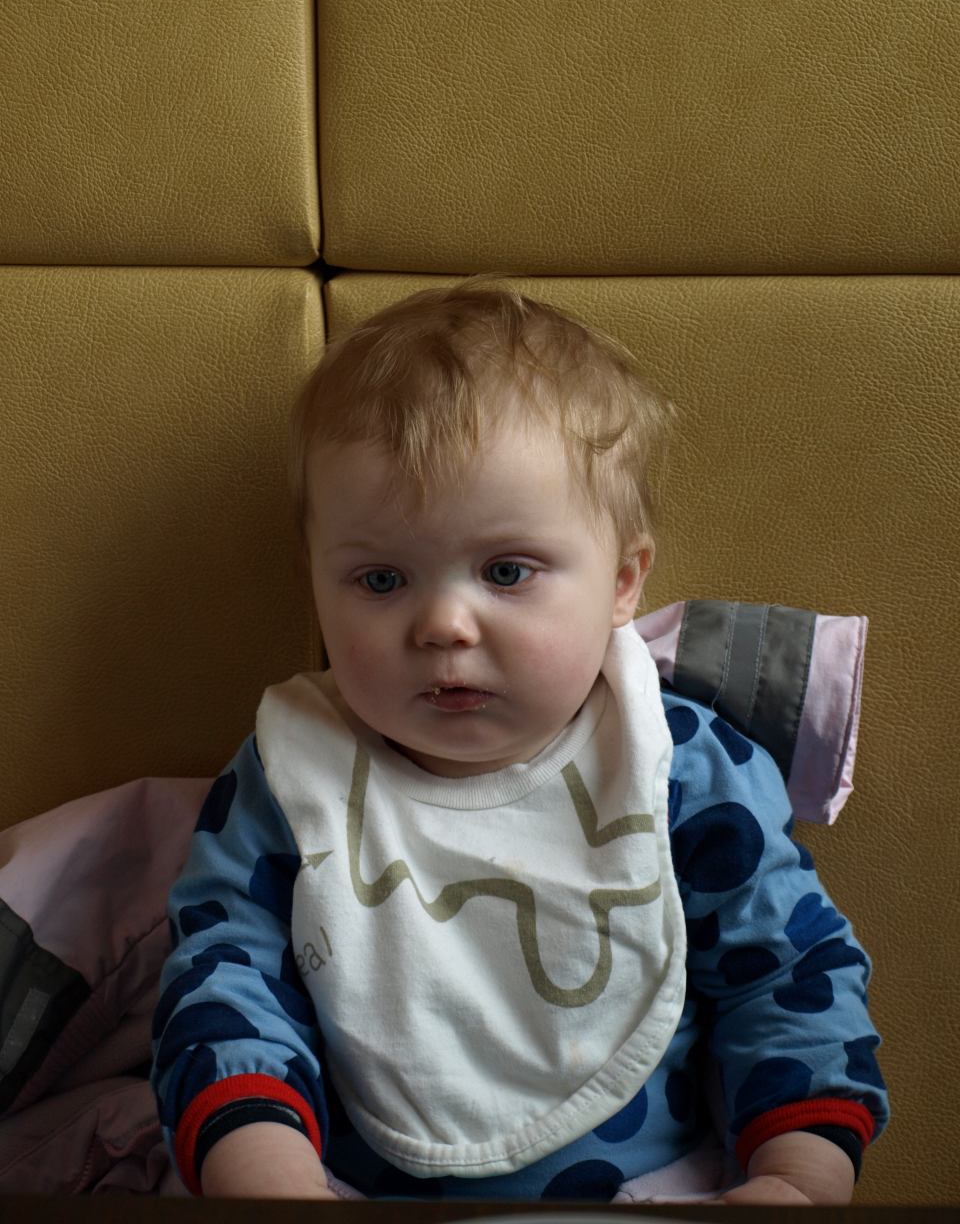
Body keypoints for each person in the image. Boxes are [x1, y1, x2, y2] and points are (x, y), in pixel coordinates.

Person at [151, 281, 888, 1204]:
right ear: (315, 586)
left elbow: (787, 974)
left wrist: (800, 1175)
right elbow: (225, 977)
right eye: (380, 580)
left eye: (506, 571)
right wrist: (262, 1166)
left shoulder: (677, 766)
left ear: (622, 583)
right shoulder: (294, 774)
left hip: (659, 1192)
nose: (443, 624)